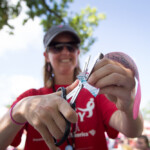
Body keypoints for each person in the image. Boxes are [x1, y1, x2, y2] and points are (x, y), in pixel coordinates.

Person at [0, 24, 143, 150]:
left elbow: (133, 131)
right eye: (56, 47)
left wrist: (129, 106)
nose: (65, 52)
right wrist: (19, 110)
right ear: (46, 56)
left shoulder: (98, 92)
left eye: (71, 46)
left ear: (77, 53)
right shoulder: (30, 97)